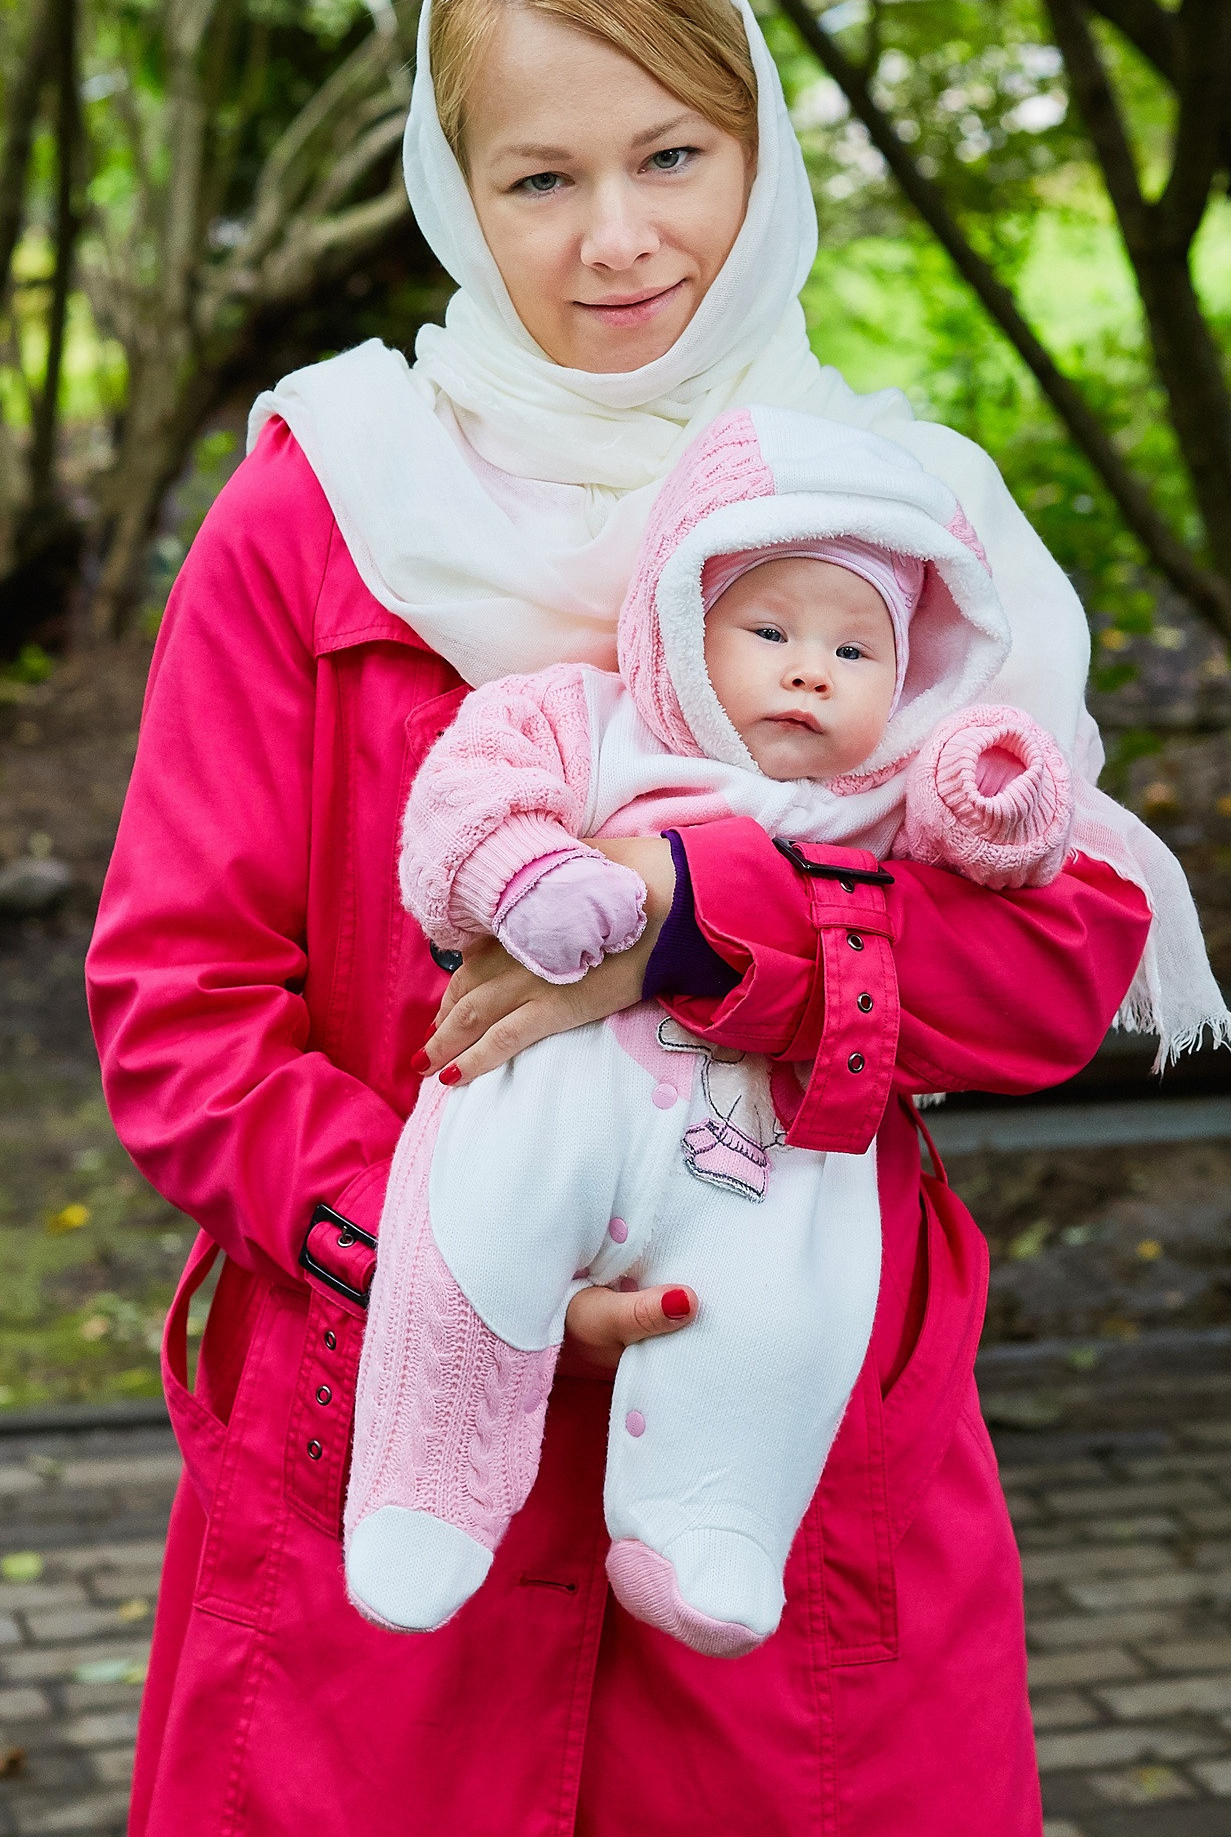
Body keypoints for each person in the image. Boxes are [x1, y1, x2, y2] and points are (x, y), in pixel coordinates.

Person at [86, 0, 1231, 1837]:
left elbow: (1048, 963)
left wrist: (699, 937)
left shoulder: (883, 507)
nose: (615, 236)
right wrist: (422, 1242)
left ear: (761, 158)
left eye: (672, 153)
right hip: (438, 1442)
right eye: (536, 174)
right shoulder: (317, 514)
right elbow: (177, 1007)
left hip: (802, 1458)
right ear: (440, 184)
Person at [348, 401, 1078, 1653]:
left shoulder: (878, 794)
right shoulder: (593, 723)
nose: (810, 671)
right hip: (547, 1103)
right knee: (469, 1246)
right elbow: (461, 804)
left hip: (761, 1149)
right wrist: (527, 874)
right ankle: (425, 1491)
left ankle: (708, 1529)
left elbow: (1011, 895)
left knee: (781, 1320)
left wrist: (994, 791)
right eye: (769, 629)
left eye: (858, 654)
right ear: (680, 624)